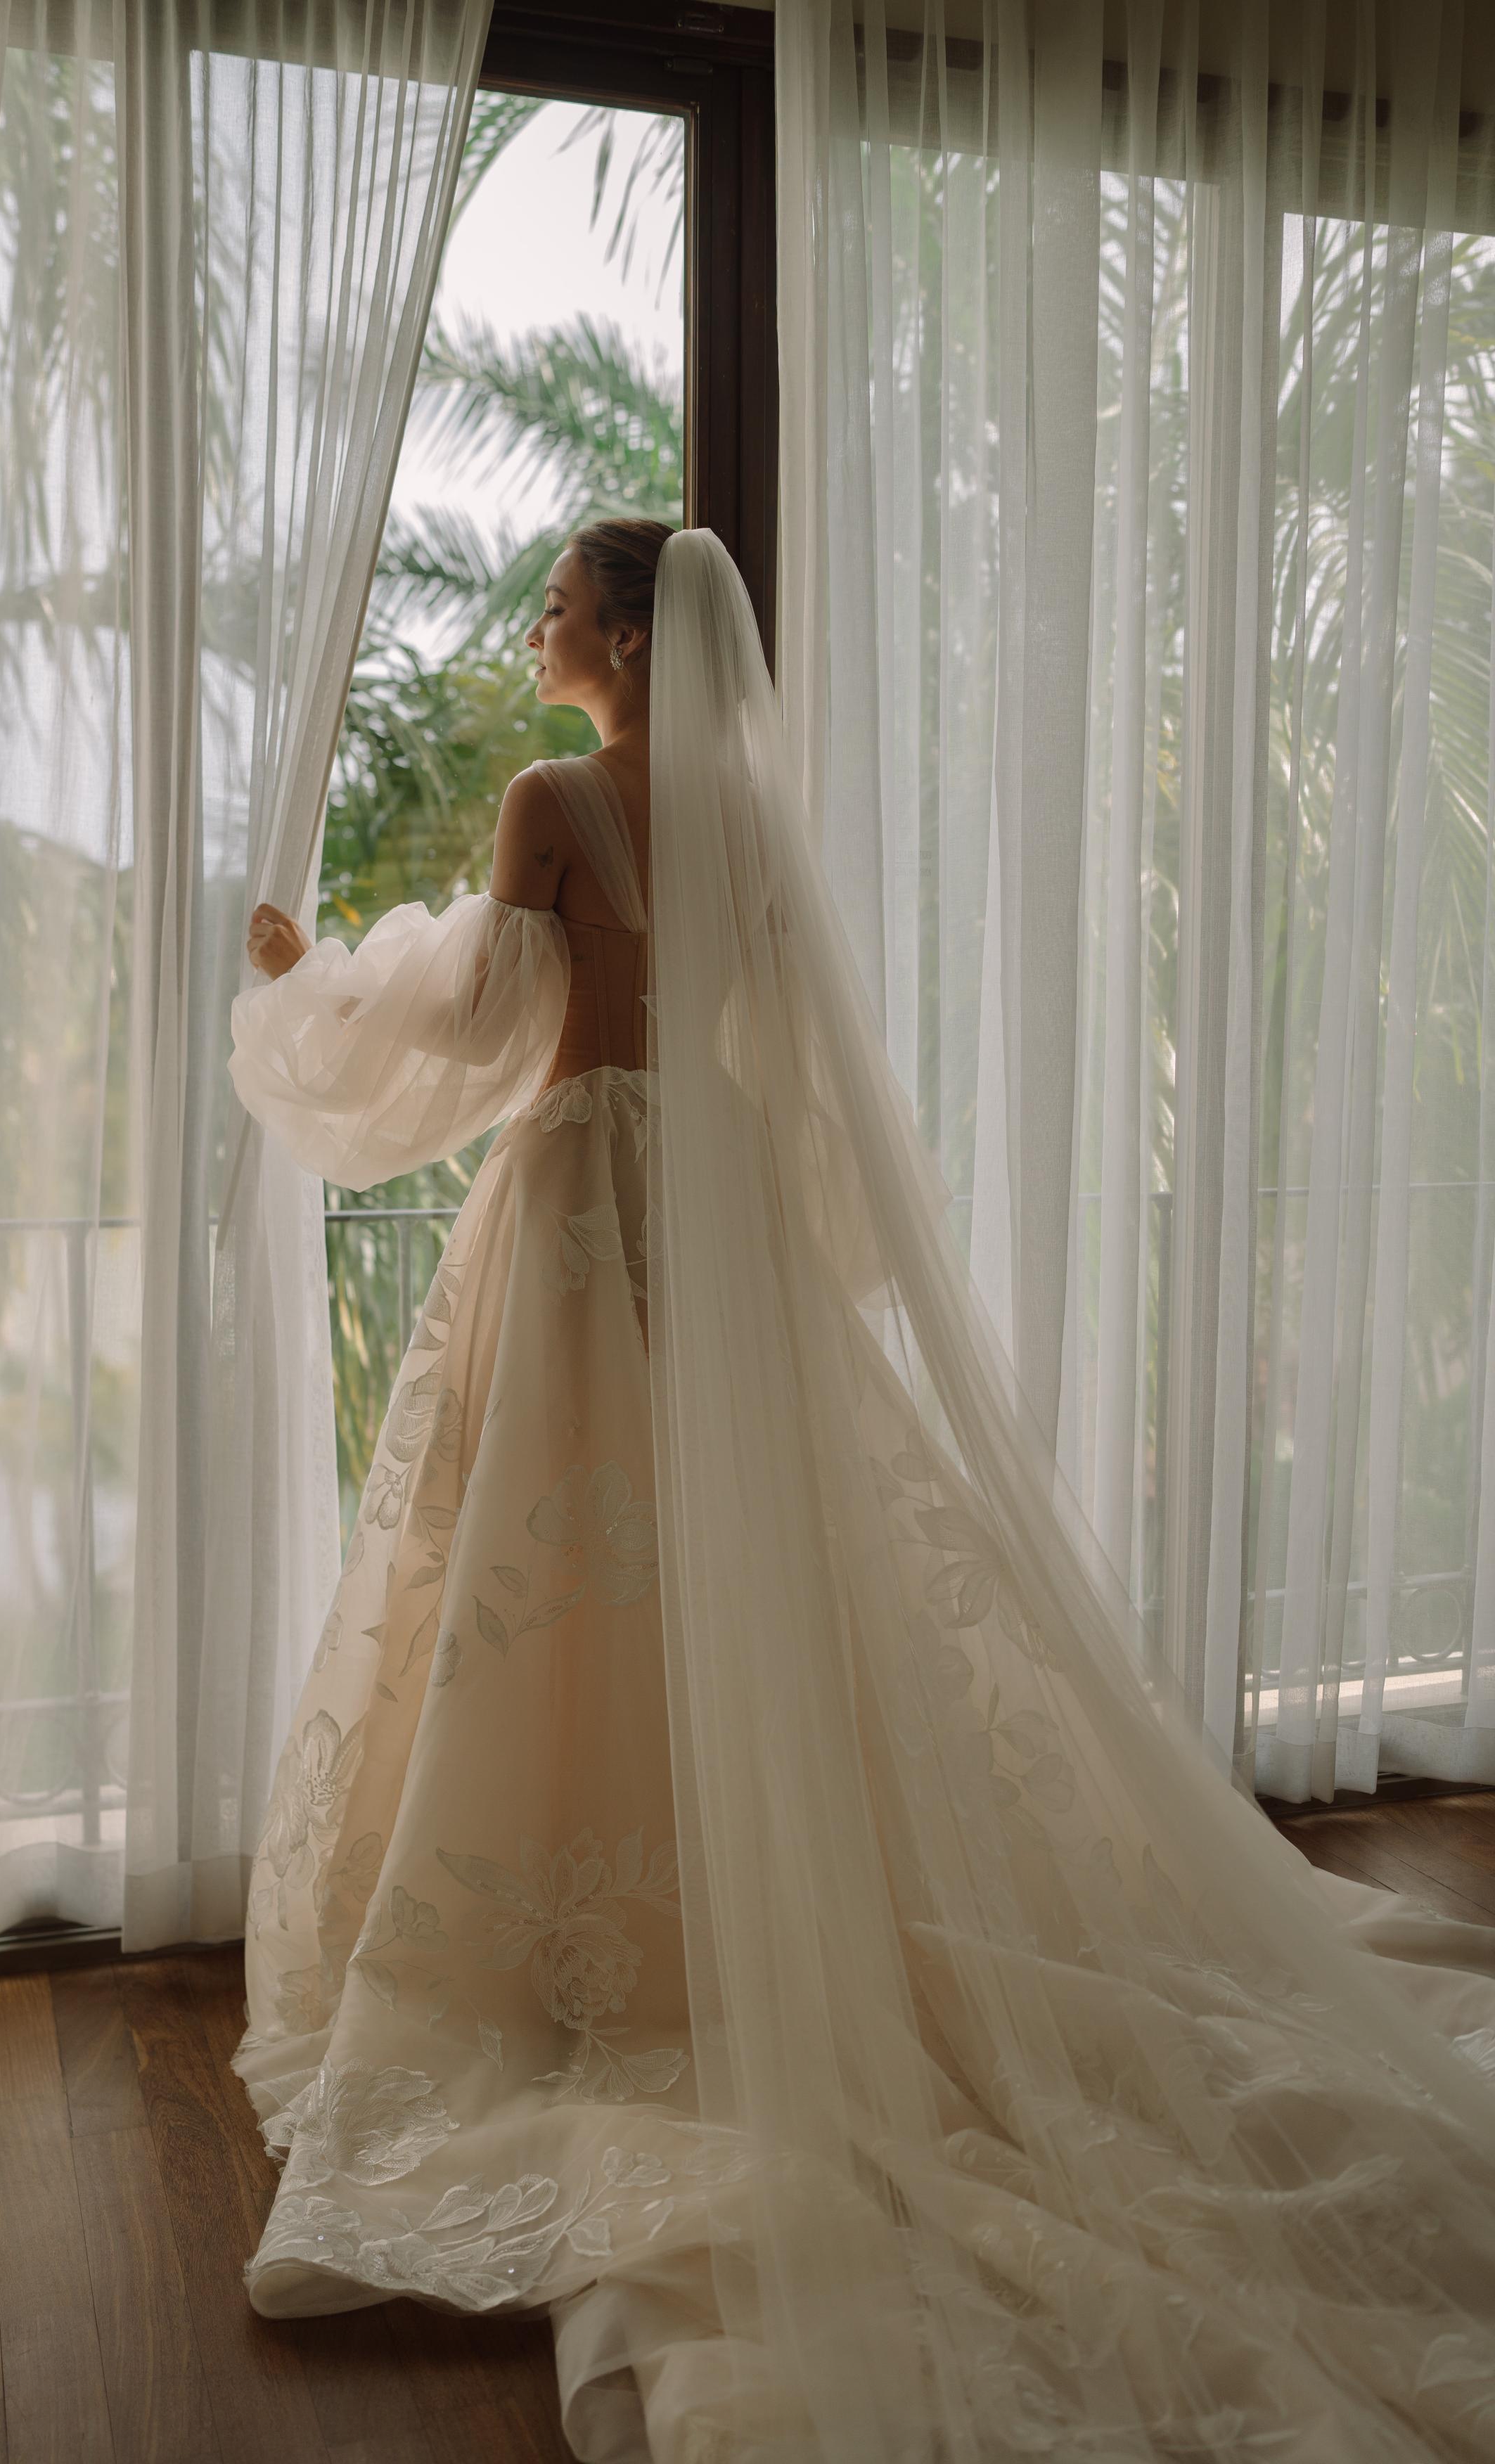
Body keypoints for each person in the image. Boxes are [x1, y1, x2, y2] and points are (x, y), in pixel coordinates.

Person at [230, 522, 1495, 2463]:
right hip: (716, 1200)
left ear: (634, 639)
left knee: (540, 1567)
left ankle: (573, 1942)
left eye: (563, 603)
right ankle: (744, 1889)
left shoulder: (552, 796)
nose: (540, 624)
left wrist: (308, 988)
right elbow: (796, 1070)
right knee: (738, 1569)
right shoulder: (751, 818)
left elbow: (478, 1033)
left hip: (582, 1190)